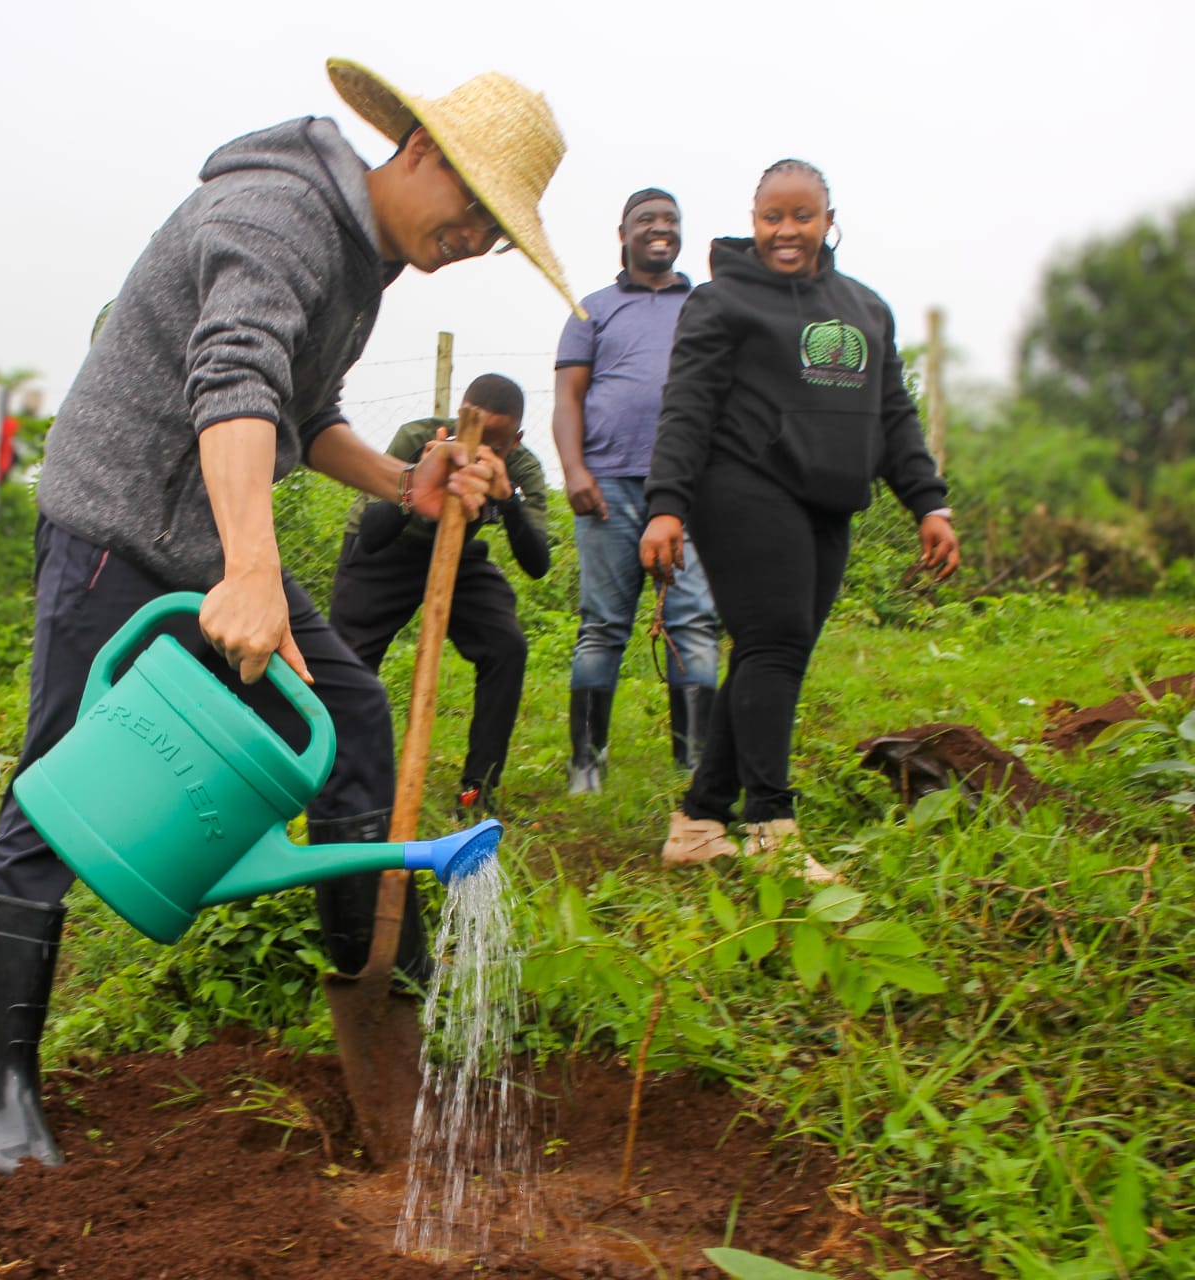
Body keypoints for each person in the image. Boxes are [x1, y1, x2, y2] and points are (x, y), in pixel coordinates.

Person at [0, 58, 579, 1175]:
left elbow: (304, 412)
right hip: (118, 523)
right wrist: (253, 564)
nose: (479, 242)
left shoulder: (366, 255)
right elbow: (236, 374)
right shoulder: (280, 209)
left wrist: (408, 484)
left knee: (348, 712)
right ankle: (2, 1091)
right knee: (56, 786)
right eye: (477, 211)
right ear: (419, 150)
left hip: (209, 527)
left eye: (501, 233)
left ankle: (370, 969)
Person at [640, 159, 960, 882]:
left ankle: (698, 822)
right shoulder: (721, 303)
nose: (787, 231)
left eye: (802, 216)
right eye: (771, 218)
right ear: (753, 223)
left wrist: (928, 503)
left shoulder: (865, 308)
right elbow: (686, 408)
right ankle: (771, 828)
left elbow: (893, 414)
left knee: (769, 652)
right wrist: (667, 506)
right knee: (775, 641)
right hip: (741, 483)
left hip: (828, 498)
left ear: (827, 218)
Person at [553, 188, 721, 795]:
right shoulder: (590, 309)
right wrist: (574, 471)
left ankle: (697, 764)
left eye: (671, 219)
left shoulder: (705, 305)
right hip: (609, 486)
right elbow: (568, 397)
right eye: (646, 219)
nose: (661, 228)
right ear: (622, 233)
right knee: (603, 625)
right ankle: (586, 765)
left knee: (695, 622)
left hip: (692, 488)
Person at [328, 374, 549, 816]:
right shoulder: (417, 438)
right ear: (457, 421)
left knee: (507, 646)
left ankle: (476, 791)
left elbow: (538, 563)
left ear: (517, 439)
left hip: (460, 555)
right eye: (476, 439)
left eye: (498, 445)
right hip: (385, 552)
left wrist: (506, 499)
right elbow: (372, 535)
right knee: (344, 665)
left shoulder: (521, 468)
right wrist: (414, 482)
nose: (483, 454)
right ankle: (328, 779)